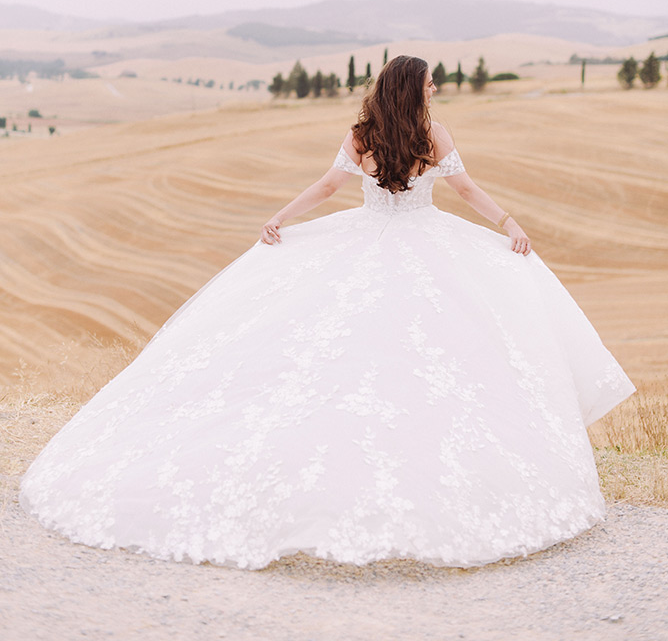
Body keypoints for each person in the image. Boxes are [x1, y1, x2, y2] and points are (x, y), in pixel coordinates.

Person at [20, 55, 634, 571]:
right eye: (428, 83)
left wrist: (282, 218)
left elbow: (326, 188)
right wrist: (508, 225)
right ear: (412, 90)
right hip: (426, 241)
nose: (435, 89)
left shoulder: (361, 135)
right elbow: (466, 191)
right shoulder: (435, 135)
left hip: (364, 238)